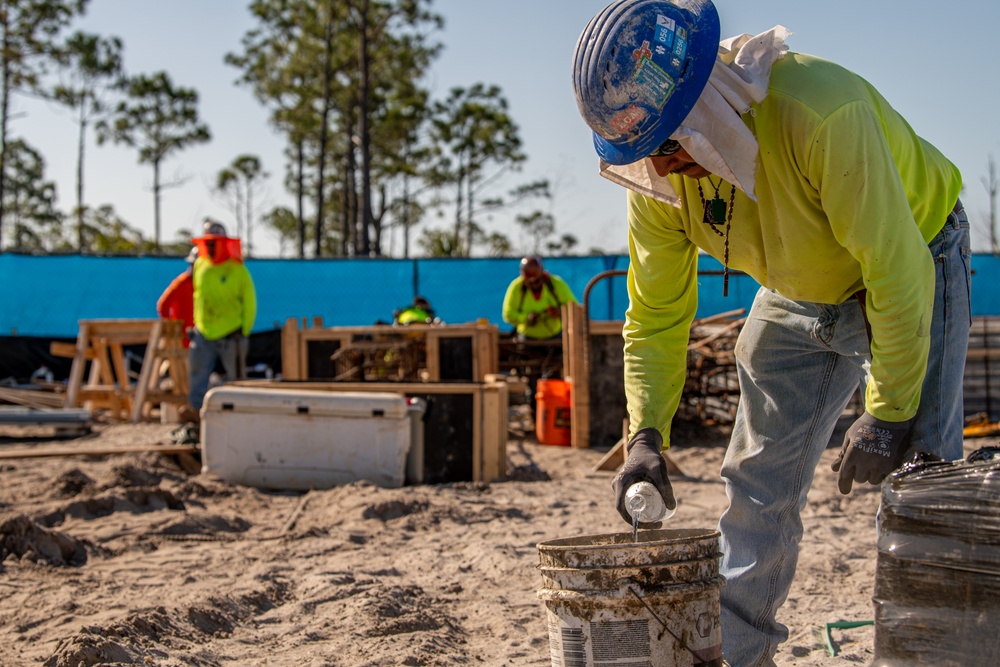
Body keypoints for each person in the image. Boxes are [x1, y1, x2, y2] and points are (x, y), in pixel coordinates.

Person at [572, 2, 970, 666]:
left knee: (926, 482)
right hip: (796, 284)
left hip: (913, 258)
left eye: (671, 145)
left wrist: (889, 412)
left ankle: (934, 653)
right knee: (755, 482)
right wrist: (646, 433)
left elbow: (895, 269)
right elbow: (658, 312)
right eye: (648, 153)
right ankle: (740, 653)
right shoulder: (660, 183)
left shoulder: (819, 113)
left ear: (708, 107)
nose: (664, 170)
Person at [185, 221, 257, 422]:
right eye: (208, 243)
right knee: (197, 377)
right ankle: (196, 418)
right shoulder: (200, 265)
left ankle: (240, 418)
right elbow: (198, 296)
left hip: (231, 334)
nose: (210, 247)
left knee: (237, 382)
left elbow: (250, 302)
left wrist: (244, 330)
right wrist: (197, 323)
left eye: (215, 243)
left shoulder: (237, 269)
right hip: (203, 332)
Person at [501, 257, 578, 341]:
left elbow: (575, 309)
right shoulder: (516, 287)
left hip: (555, 337)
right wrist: (526, 318)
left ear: (542, 272)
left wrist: (561, 312)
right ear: (522, 274)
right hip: (526, 339)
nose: (533, 283)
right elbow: (508, 314)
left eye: (537, 280)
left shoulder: (556, 284)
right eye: (529, 280)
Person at [155, 246, 198, 348]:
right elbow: (162, 305)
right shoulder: (182, 283)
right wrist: (171, 329)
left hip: (201, 338)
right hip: (182, 339)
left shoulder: (208, 284)